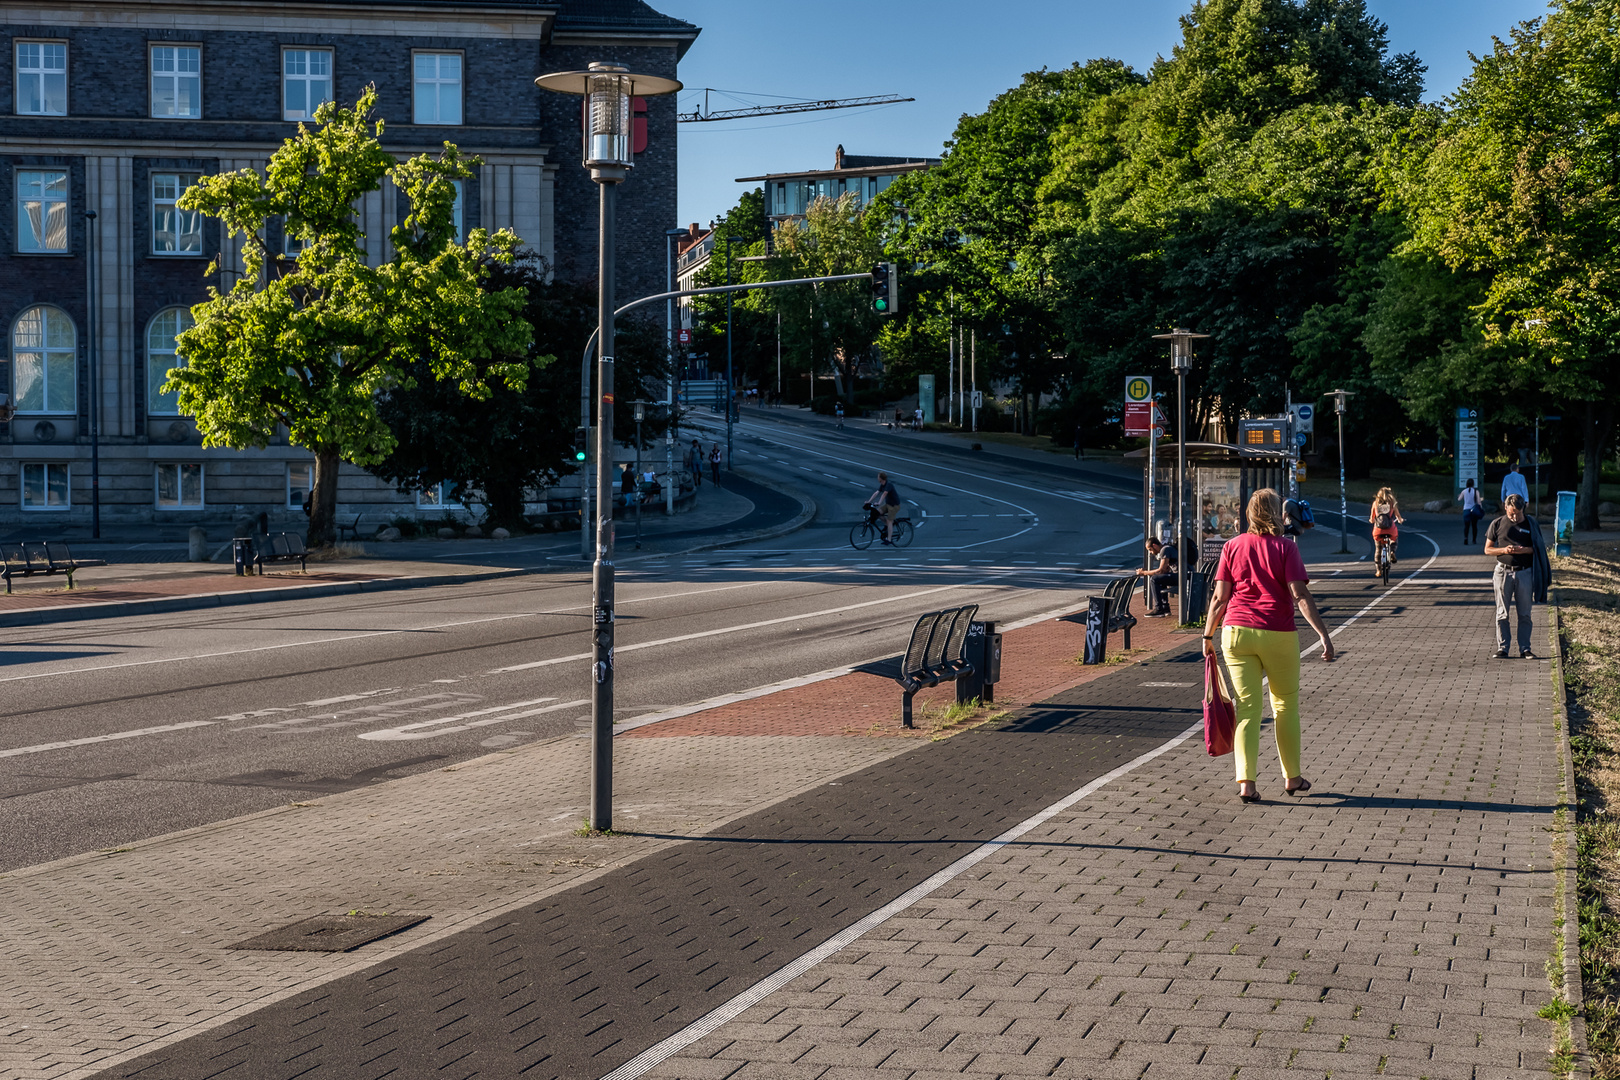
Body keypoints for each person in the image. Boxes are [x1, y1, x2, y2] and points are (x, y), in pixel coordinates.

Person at [1204, 488, 1336, 803]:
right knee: (1285, 707)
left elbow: (1220, 597)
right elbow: (1300, 595)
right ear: (1278, 514)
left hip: (1235, 634)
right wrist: (1323, 635)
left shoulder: (1232, 547)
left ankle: (1246, 784)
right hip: (1277, 633)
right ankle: (1292, 778)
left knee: (1247, 709)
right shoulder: (1286, 548)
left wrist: (1207, 636)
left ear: (1248, 514)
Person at [1484, 492, 1547, 659]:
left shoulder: (1531, 524)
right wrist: (1504, 550)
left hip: (1524, 572)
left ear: (1523, 510)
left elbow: (1539, 548)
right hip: (1502, 571)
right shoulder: (1497, 524)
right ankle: (1503, 647)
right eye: (1511, 513)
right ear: (1505, 507)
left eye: (1518, 514)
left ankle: (1525, 648)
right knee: (1502, 612)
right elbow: (1487, 549)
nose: (1514, 517)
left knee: (1525, 613)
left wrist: (1524, 550)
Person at [1135, 536, 1177, 617]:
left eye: (1150, 549)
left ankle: (1159, 608)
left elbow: (1160, 570)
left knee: (1154, 579)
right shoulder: (1169, 548)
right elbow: (1164, 570)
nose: (1150, 552)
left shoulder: (1165, 550)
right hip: (1185, 575)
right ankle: (1165, 608)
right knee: (1161, 577)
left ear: (1154, 545)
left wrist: (1144, 573)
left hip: (1181, 576)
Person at [1369, 486, 1403, 565]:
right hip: (1390, 528)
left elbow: (1372, 518)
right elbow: (1397, 515)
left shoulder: (1375, 503)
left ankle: (1378, 570)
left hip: (1378, 530)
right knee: (1394, 539)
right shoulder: (1392, 504)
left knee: (1378, 548)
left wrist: (1372, 520)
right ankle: (1392, 551)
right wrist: (1400, 520)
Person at [867, 471, 901, 543]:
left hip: (894, 505)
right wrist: (869, 501)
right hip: (888, 504)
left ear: (881, 478)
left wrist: (879, 502)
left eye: (878, 476)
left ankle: (888, 539)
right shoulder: (882, 485)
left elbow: (884, 494)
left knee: (889, 521)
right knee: (877, 513)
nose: (877, 478)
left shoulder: (888, 485)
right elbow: (876, 492)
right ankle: (886, 525)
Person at [1459, 478, 1484, 545]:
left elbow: (1459, 499)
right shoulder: (1476, 491)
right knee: (1474, 526)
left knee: (1466, 526)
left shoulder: (1464, 491)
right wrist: (1481, 507)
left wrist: (1460, 496)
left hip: (1466, 510)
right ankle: (1474, 540)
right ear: (1473, 484)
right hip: (1474, 510)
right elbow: (1478, 501)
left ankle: (1466, 538)